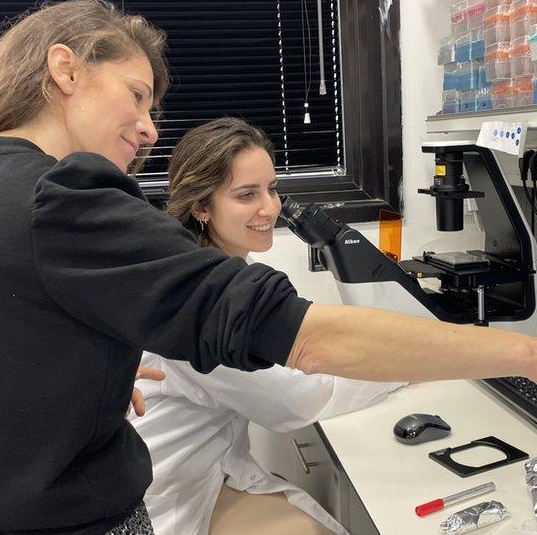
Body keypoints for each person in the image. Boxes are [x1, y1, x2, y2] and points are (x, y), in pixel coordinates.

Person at [0, 0, 537, 535]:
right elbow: (302, 342)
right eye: (135, 94)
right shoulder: (58, 194)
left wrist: (59, 383)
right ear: (64, 68)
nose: (146, 126)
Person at [131, 117, 404, 535]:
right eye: (247, 195)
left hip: (210, 473)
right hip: (169, 496)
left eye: (272, 188)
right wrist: (401, 370)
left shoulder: (224, 268)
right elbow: (296, 401)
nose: (270, 208)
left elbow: (291, 335)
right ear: (201, 207)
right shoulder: (201, 300)